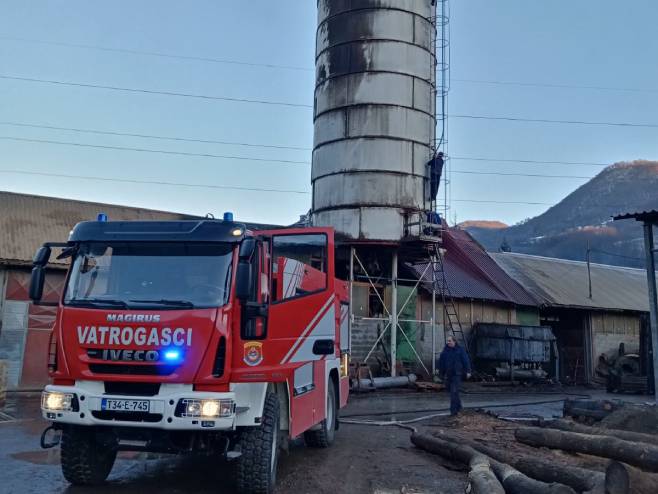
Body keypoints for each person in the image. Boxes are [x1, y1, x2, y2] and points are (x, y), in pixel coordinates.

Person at [438, 336, 472, 416]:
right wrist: (440, 371)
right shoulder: (446, 350)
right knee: (454, 392)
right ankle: (459, 407)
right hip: (449, 375)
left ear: (454, 342)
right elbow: (441, 361)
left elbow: (466, 360)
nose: (448, 342)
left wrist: (468, 371)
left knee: (454, 392)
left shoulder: (460, 350)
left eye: (449, 341)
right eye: (447, 341)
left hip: (457, 374)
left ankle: (453, 412)